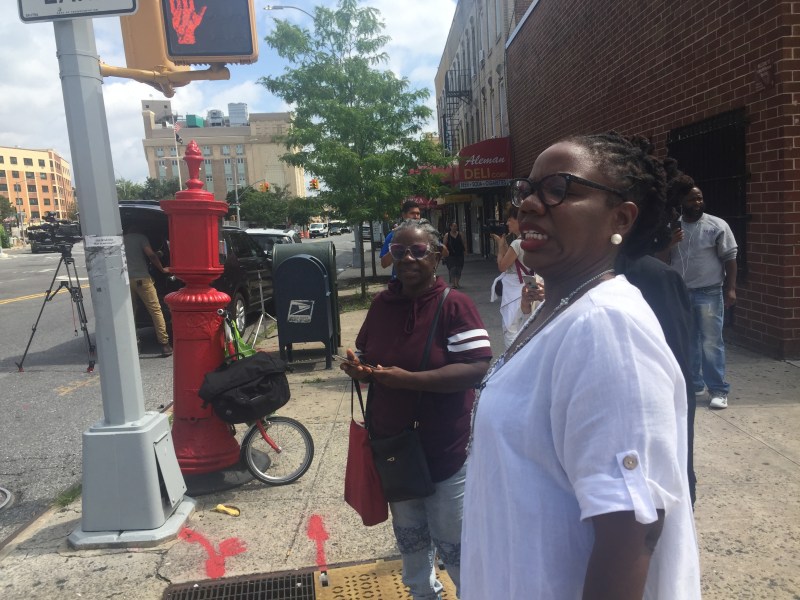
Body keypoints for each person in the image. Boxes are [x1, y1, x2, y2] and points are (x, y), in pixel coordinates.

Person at [461, 132, 701, 599]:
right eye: (526, 189)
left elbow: (632, 531)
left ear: (621, 217)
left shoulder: (607, 324)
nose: (530, 203)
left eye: (558, 189)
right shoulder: (561, 309)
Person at [341, 219, 492, 600]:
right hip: (394, 447)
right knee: (410, 537)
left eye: (418, 250)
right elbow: (368, 352)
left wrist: (408, 379)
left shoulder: (454, 305)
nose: (407, 258)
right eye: (398, 250)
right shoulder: (383, 303)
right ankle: (423, 594)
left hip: (444, 448)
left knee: (453, 541)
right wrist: (360, 368)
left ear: (437, 255)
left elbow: (477, 368)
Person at [666, 176, 738, 409]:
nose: (697, 202)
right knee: (687, 341)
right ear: (681, 202)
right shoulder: (672, 227)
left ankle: (718, 389)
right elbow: (661, 260)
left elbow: (730, 259)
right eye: (692, 199)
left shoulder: (717, 225)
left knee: (711, 342)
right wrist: (669, 242)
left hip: (709, 291)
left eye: (700, 198)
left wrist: (731, 289)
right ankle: (694, 383)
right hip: (681, 292)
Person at [489, 205, 542, 348]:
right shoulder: (533, 240)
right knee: (528, 324)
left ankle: (512, 357)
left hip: (514, 290)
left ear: (519, 221)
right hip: (530, 284)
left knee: (510, 328)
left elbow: (502, 266)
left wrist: (500, 246)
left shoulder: (517, 243)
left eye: (509, 220)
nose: (507, 223)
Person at [123, 223, 173, 357]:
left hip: (125, 281)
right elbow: (151, 255)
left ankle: (134, 342)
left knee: (130, 313)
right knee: (155, 310)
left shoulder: (121, 239)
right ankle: (164, 344)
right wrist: (162, 269)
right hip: (142, 279)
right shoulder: (141, 238)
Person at [442, 222, 465, 289]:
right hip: (450, 255)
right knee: (452, 269)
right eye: (453, 226)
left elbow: (464, 242)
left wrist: (465, 251)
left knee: (459, 268)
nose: (455, 228)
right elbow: (444, 245)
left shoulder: (460, 234)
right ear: (450, 227)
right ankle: (454, 284)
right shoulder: (447, 235)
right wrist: (443, 254)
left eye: (456, 226)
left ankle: (457, 283)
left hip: (459, 254)